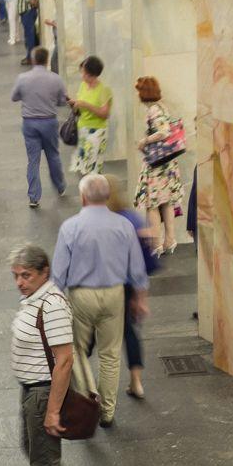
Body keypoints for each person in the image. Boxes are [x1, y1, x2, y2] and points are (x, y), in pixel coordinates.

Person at [7, 244, 91, 466]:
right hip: (33, 390)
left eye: (26, 275)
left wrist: (52, 410)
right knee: (37, 453)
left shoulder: (51, 306)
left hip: (43, 393)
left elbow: (64, 360)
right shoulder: (34, 298)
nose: (19, 281)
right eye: (16, 275)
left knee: (44, 463)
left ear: (44, 272)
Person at [52, 173, 147, 427]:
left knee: (76, 349)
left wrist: (54, 299)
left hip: (81, 295)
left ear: (83, 197)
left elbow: (59, 272)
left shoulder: (70, 227)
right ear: (106, 196)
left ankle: (87, 397)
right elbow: (137, 268)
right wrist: (139, 297)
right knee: (111, 354)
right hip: (115, 293)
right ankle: (107, 412)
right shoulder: (124, 226)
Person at [104, 182, 160, 402]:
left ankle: (87, 384)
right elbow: (143, 262)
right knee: (129, 331)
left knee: (90, 336)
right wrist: (141, 297)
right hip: (130, 285)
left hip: (107, 285)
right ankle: (136, 380)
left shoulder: (104, 222)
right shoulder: (134, 218)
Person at [7, 47, 69, 208]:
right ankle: (60, 186)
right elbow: (63, 101)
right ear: (47, 59)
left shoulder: (23, 78)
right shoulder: (56, 79)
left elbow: (14, 97)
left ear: (33, 60)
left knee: (33, 160)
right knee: (53, 156)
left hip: (29, 123)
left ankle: (34, 196)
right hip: (49, 121)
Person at [133, 76, 186, 256]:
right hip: (168, 163)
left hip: (157, 164)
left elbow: (163, 132)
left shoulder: (153, 110)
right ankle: (170, 240)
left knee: (152, 203)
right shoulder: (162, 106)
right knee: (167, 202)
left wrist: (144, 141)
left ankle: (156, 244)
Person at [68, 55, 113, 177]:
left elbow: (104, 114)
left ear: (90, 74)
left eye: (83, 72)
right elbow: (80, 104)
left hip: (97, 132)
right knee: (81, 166)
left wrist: (86, 105)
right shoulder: (83, 85)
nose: (81, 74)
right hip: (82, 129)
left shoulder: (104, 90)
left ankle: (95, 193)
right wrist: (74, 103)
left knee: (92, 168)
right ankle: (86, 193)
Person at [13, 0, 39, 65]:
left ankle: (30, 58)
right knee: (30, 36)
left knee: (29, 37)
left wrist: (34, 6)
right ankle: (32, 56)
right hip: (27, 13)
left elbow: (31, 0)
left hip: (27, 13)